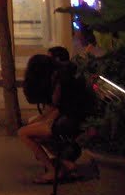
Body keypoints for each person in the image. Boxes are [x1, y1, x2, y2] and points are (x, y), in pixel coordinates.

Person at [19, 47, 91, 184]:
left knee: (23, 133)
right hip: (73, 118)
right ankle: (63, 163)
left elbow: (58, 107)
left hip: (70, 121)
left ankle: (53, 169)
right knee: (33, 130)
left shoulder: (60, 82)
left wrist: (44, 121)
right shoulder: (66, 76)